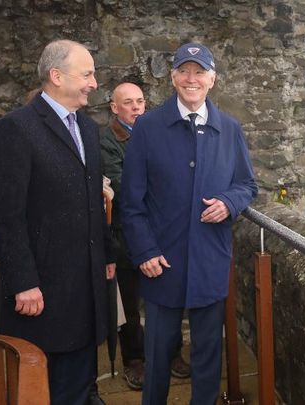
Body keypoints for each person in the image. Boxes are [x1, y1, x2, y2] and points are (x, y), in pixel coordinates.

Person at [120, 42, 257, 404]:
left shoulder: (229, 129)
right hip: (160, 262)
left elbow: (247, 184)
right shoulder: (147, 128)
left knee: (208, 356)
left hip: (210, 259)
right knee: (159, 355)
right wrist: (144, 251)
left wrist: (229, 202)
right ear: (173, 78)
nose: (191, 79)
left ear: (212, 79)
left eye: (199, 72)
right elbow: (131, 203)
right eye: (184, 71)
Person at [0, 39, 115, 405]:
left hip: (84, 288)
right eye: (87, 74)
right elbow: (5, 216)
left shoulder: (88, 129)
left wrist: (106, 255)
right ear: (56, 76)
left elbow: (92, 201)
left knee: (78, 381)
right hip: (43, 294)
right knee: (44, 389)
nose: (94, 82)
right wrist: (23, 281)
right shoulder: (16, 129)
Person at [99, 82, 190, 391]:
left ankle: (172, 353)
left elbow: (176, 173)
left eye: (140, 101)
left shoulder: (157, 132)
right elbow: (122, 188)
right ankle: (135, 361)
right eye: (128, 102)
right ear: (114, 107)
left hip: (163, 234)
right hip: (125, 237)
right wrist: (161, 189)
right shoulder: (105, 140)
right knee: (129, 301)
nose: (136, 107)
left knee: (168, 297)